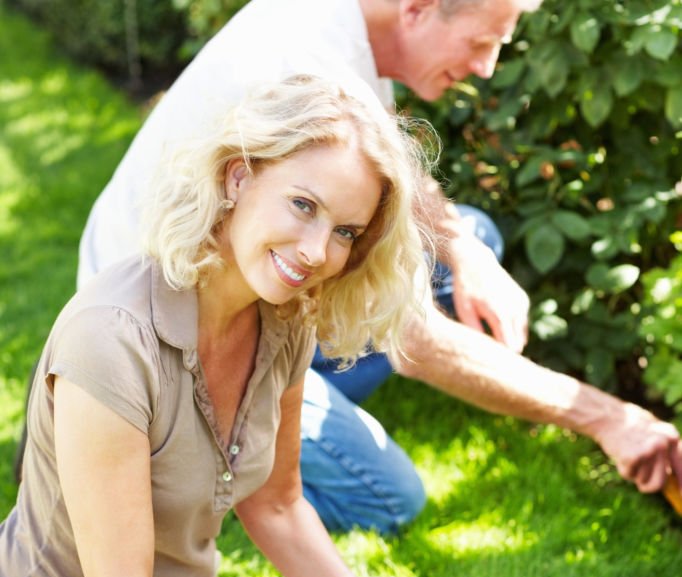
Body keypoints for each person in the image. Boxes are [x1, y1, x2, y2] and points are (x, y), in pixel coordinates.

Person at [0, 77, 457, 577]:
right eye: (304, 205)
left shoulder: (284, 318)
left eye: (347, 229)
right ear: (239, 175)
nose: (319, 251)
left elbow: (277, 506)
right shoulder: (111, 341)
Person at [72, 0, 682, 533]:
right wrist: (607, 417)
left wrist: (466, 251)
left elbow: (391, 168)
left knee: (472, 235)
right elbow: (412, 335)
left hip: (253, 282)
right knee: (389, 499)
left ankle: (288, 395)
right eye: (481, 43)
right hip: (168, 346)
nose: (485, 67)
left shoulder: (344, 27)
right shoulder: (303, 60)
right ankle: (191, 467)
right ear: (418, 8)